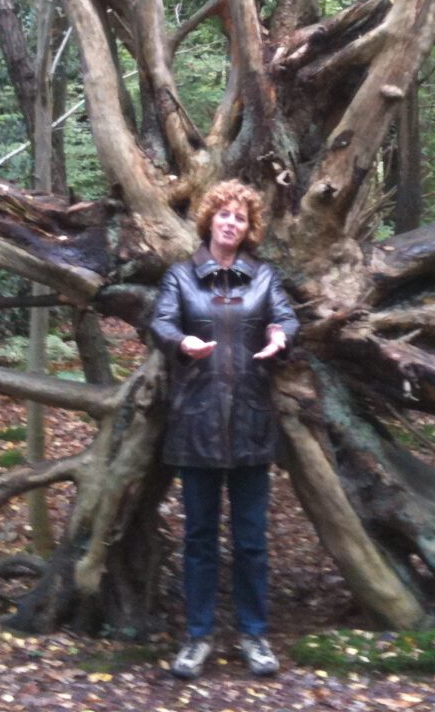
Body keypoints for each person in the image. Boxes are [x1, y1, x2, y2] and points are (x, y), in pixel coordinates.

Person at [149, 180, 299, 680]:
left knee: (252, 539)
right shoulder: (181, 277)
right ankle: (198, 637)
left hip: (253, 423)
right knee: (199, 538)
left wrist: (280, 335)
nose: (231, 223)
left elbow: (285, 318)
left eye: (240, 217)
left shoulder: (264, 277)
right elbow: (161, 323)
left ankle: (255, 635)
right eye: (224, 215)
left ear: (248, 228)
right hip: (197, 424)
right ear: (210, 220)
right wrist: (182, 341)